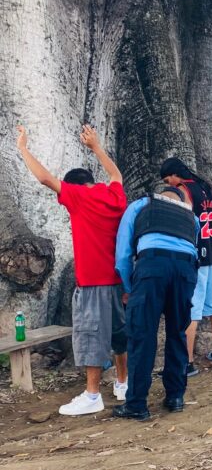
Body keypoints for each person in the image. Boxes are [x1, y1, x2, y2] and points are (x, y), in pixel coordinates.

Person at [16, 124, 128, 416]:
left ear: (74, 186)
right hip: (118, 281)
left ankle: (92, 395)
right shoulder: (114, 196)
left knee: (91, 336)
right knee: (119, 334)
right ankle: (123, 382)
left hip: (93, 282)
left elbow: (44, 178)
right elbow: (116, 175)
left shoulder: (79, 197)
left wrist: (23, 148)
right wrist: (96, 147)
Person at [113, 187, 199, 420]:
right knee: (177, 333)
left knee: (142, 335)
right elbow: (195, 253)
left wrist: (129, 288)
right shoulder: (191, 217)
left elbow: (123, 253)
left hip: (152, 266)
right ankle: (176, 397)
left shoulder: (141, 205)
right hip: (185, 270)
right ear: (181, 201)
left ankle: (137, 405)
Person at [160, 158, 212, 375]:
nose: (169, 185)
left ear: (175, 175)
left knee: (191, 311)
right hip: (211, 257)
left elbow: (181, 221)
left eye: (168, 180)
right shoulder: (208, 189)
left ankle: (188, 362)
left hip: (195, 258)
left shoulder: (184, 191)